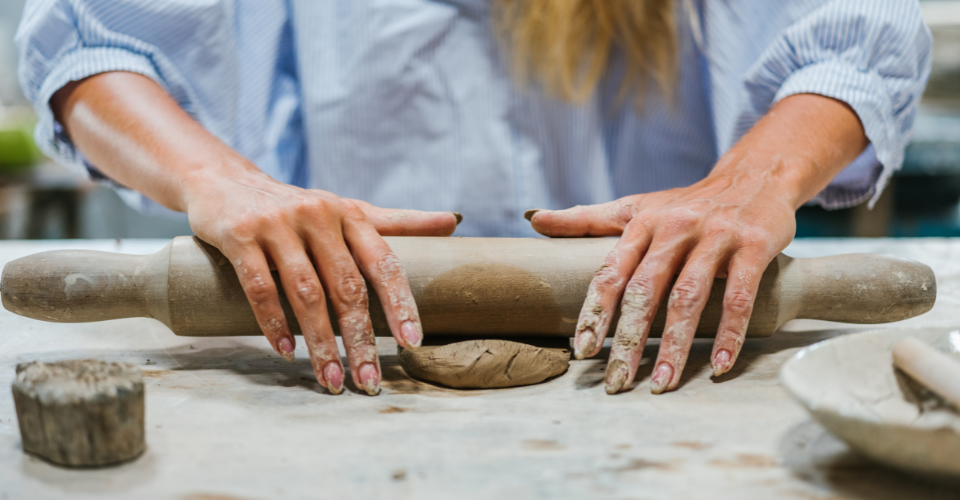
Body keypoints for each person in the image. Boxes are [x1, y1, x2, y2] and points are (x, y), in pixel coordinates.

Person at [17, 0, 931, 396]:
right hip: (342, 351)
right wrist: (220, 182)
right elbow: (91, 46)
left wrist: (753, 183)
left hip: (660, 350)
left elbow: (858, 36)